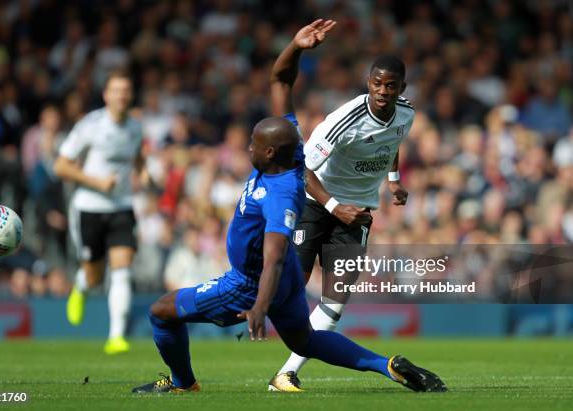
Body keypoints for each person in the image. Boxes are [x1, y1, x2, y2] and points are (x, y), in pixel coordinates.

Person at [132, 20, 446, 394]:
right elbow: (280, 82)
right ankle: (386, 366)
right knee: (306, 341)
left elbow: (276, 254)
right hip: (288, 287)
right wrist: (295, 46)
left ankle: (184, 383)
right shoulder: (291, 151)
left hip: (249, 283)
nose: (248, 148)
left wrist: (260, 305)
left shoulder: (281, 191)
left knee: (161, 312)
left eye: (253, 144)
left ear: (267, 152)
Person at [269, 19, 416, 392]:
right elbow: (301, 169)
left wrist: (393, 180)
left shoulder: (406, 113)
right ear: (368, 82)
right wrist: (334, 206)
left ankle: (286, 373)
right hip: (315, 204)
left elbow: (391, 141)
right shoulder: (342, 121)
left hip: (358, 211)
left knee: (336, 297)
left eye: (391, 85)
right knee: (292, 289)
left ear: (402, 88)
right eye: (376, 83)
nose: (383, 91)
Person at [54, 70, 144, 354]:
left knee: (121, 270)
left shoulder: (135, 127)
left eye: (126, 90)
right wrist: (97, 182)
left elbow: (137, 157)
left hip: (121, 206)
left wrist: (145, 174)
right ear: (106, 95)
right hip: (89, 208)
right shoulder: (90, 125)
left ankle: (116, 336)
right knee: (94, 276)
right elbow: (61, 166)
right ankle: (80, 287)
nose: (122, 95)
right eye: (116, 90)